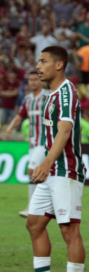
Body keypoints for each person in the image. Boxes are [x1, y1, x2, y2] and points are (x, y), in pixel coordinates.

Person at [13, 46, 87, 272]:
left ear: (58, 65)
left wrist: (45, 162)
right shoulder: (51, 94)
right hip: (53, 171)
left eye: (43, 61)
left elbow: (65, 132)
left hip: (66, 170)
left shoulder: (66, 93)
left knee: (69, 229)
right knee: (34, 223)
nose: (38, 66)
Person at [4, 71, 47, 218]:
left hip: (45, 141)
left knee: (32, 171)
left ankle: (32, 207)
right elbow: (20, 116)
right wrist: (9, 128)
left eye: (36, 79)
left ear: (41, 81)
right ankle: (42, 206)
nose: (33, 82)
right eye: (30, 80)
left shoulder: (47, 97)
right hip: (32, 142)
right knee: (41, 175)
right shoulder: (28, 99)